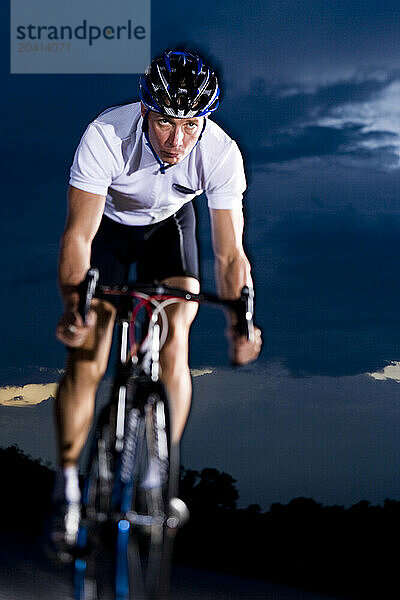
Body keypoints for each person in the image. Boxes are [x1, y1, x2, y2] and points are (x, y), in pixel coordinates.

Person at [51, 49, 262, 551]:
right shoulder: (106, 134)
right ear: (146, 109)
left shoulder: (220, 152)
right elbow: (78, 237)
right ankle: (68, 486)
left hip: (169, 233)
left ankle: (156, 476)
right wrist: (73, 306)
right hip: (110, 233)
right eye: (167, 123)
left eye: (191, 124)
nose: (178, 140)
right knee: (89, 355)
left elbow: (230, 257)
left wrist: (241, 322)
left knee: (175, 340)